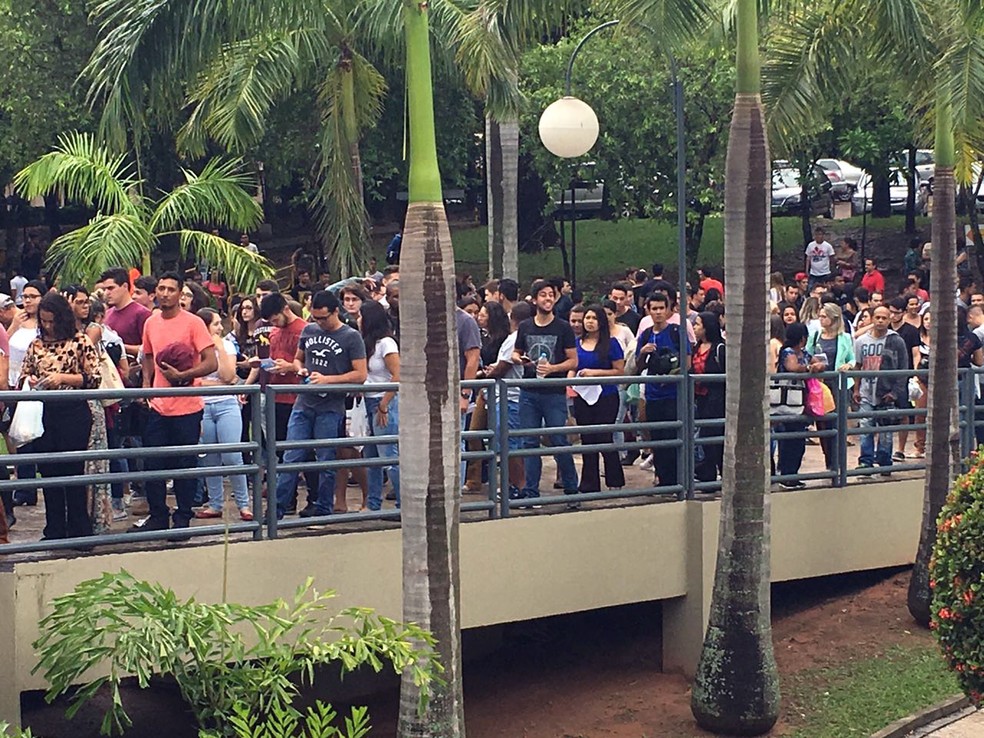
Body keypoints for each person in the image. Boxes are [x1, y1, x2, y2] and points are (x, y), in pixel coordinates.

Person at [133, 272, 218, 533]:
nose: (165, 293)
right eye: (161, 288)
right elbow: (148, 356)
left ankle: (183, 516)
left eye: (171, 289)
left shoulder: (193, 323)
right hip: (158, 406)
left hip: (187, 408)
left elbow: (211, 362)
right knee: (153, 464)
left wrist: (184, 376)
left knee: (185, 465)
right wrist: (146, 387)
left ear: (181, 293)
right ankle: (158, 514)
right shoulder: (151, 323)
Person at [274, 290, 367, 519]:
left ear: (336, 312)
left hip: (331, 405)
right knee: (291, 456)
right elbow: (299, 357)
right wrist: (299, 368)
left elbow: (360, 374)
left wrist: (329, 380)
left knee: (326, 458)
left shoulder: (351, 336)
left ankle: (324, 507)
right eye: (316, 318)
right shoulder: (309, 330)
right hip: (304, 401)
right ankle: (276, 509)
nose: (320, 322)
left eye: (324, 318)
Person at [21, 293, 101, 540]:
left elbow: (94, 378)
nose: (47, 326)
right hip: (44, 412)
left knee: (73, 471)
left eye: (52, 321)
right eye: (43, 321)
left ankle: (79, 529)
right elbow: (24, 373)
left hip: (73, 411)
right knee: (48, 472)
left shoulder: (79, 341)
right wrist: (31, 380)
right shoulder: (36, 345)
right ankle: (54, 528)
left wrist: (63, 378)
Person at [512, 279, 579, 505]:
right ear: (535, 299)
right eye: (543, 295)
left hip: (553, 392)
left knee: (559, 440)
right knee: (529, 442)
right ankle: (531, 493)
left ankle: (572, 491)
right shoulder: (525, 326)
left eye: (551, 294)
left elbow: (573, 361)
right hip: (529, 391)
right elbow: (515, 352)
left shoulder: (563, 327)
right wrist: (519, 359)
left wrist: (553, 368)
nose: (548, 298)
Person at [260, 292, 320, 515]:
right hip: (277, 396)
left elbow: (309, 364)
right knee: (281, 451)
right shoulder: (275, 332)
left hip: (296, 396)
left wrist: (290, 367)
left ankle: (314, 498)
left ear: (286, 309)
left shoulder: (304, 330)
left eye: (275, 319)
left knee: (304, 451)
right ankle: (288, 498)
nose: (274, 325)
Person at [193, 307, 252, 521]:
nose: (220, 327)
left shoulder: (226, 344)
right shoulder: (193, 346)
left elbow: (229, 376)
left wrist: (218, 346)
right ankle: (215, 504)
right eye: (216, 323)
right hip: (203, 406)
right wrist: (208, 382)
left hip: (227, 403)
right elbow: (194, 381)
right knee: (210, 456)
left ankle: (244, 504)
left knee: (232, 455)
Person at [636, 292, 690, 492]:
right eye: (654, 309)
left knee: (672, 438)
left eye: (661, 308)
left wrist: (669, 366)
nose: (658, 312)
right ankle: (662, 479)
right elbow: (637, 366)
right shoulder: (646, 334)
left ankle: (677, 482)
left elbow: (687, 363)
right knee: (656, 439)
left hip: (673, 395)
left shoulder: (677, 332)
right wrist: (643, 352)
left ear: (668, 310)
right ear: (648, 311)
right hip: (652, 394)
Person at [571, 305, 625, 494]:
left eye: (594, 318)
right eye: (587, 318)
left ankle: (615, 480)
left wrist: (595, 373)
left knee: (604, 437)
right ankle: (589, 483)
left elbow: (619, 371)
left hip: (606, 396)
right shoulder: (576, 343)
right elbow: (572, 365)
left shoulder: (612, 344)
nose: (589, 321)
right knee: (587, 439)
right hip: (582, 397)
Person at [853, 306, 908, 472]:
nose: (880, 321)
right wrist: (856, 388)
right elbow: (858, 365)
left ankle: (884, 461)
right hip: (866, 391)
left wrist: (895, 393)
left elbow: (903, 368)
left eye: (884, 318)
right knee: (866, 426)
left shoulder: (896, 341)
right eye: (877, 317)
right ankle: (866, 460)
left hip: (886, 391)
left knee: (886, 431)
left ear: (889, 320)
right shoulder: (861, 341)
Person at [8, 280, 45, 508]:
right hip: (15, 385)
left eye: (33, 296)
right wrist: (13, 325)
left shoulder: (45, 326)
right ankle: (25, 488)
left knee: (35, 438)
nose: (28, 300)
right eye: (26, 296)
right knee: (19, 438)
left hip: (36, 386)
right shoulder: (18, 322)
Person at [360, 301, 401, 511]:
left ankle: (403, 503)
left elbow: (397, 374)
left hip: (384, 401)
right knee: (371, 455)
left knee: (389, 455)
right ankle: (372, 502)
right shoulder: (369, 343)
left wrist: (384, 403)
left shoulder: (387, 343)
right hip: (368, 400)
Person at [806, 302, 855, 471]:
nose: (820, 319)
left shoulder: (845, 337)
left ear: (833, 318)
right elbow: (808, 354)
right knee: (823, 424)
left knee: (838, 423)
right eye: (820, 316)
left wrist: (848, 366)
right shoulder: (815, 335)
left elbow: (852, 358)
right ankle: (829, 460)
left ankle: (838, 461)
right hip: (820, 384)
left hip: (838, 384)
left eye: (824, 316)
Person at [775, 322, 821, 488]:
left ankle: (792, 474)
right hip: (787, 400)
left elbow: (820, 362)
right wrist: (810, 368)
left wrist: (817, 365)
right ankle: (786, 474)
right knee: (789, 440)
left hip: (800, 401)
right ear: (802, 338)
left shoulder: (805, 353)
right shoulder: (787, 352)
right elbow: (793, 367)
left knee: (798, 441)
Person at [692, 311, 726, 483]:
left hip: (716, 400)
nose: (695, 327)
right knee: (705, 438)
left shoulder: (720, 348)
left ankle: (716, 473)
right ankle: (708, 474)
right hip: (700, 399)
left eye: (698, 324)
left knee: (713, 437)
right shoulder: (696, 347)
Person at [804, 227, 835, 293]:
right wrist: (807, 270)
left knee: (825, 290)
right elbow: (808, 258)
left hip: (825, 272)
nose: (818, 236)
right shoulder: (810, 245)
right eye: (817, 234)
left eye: (820, 234)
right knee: (810, 288)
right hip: (813, 273)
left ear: (823, 235)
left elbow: (832, 258)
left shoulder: (828, 246)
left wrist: (832, 270)